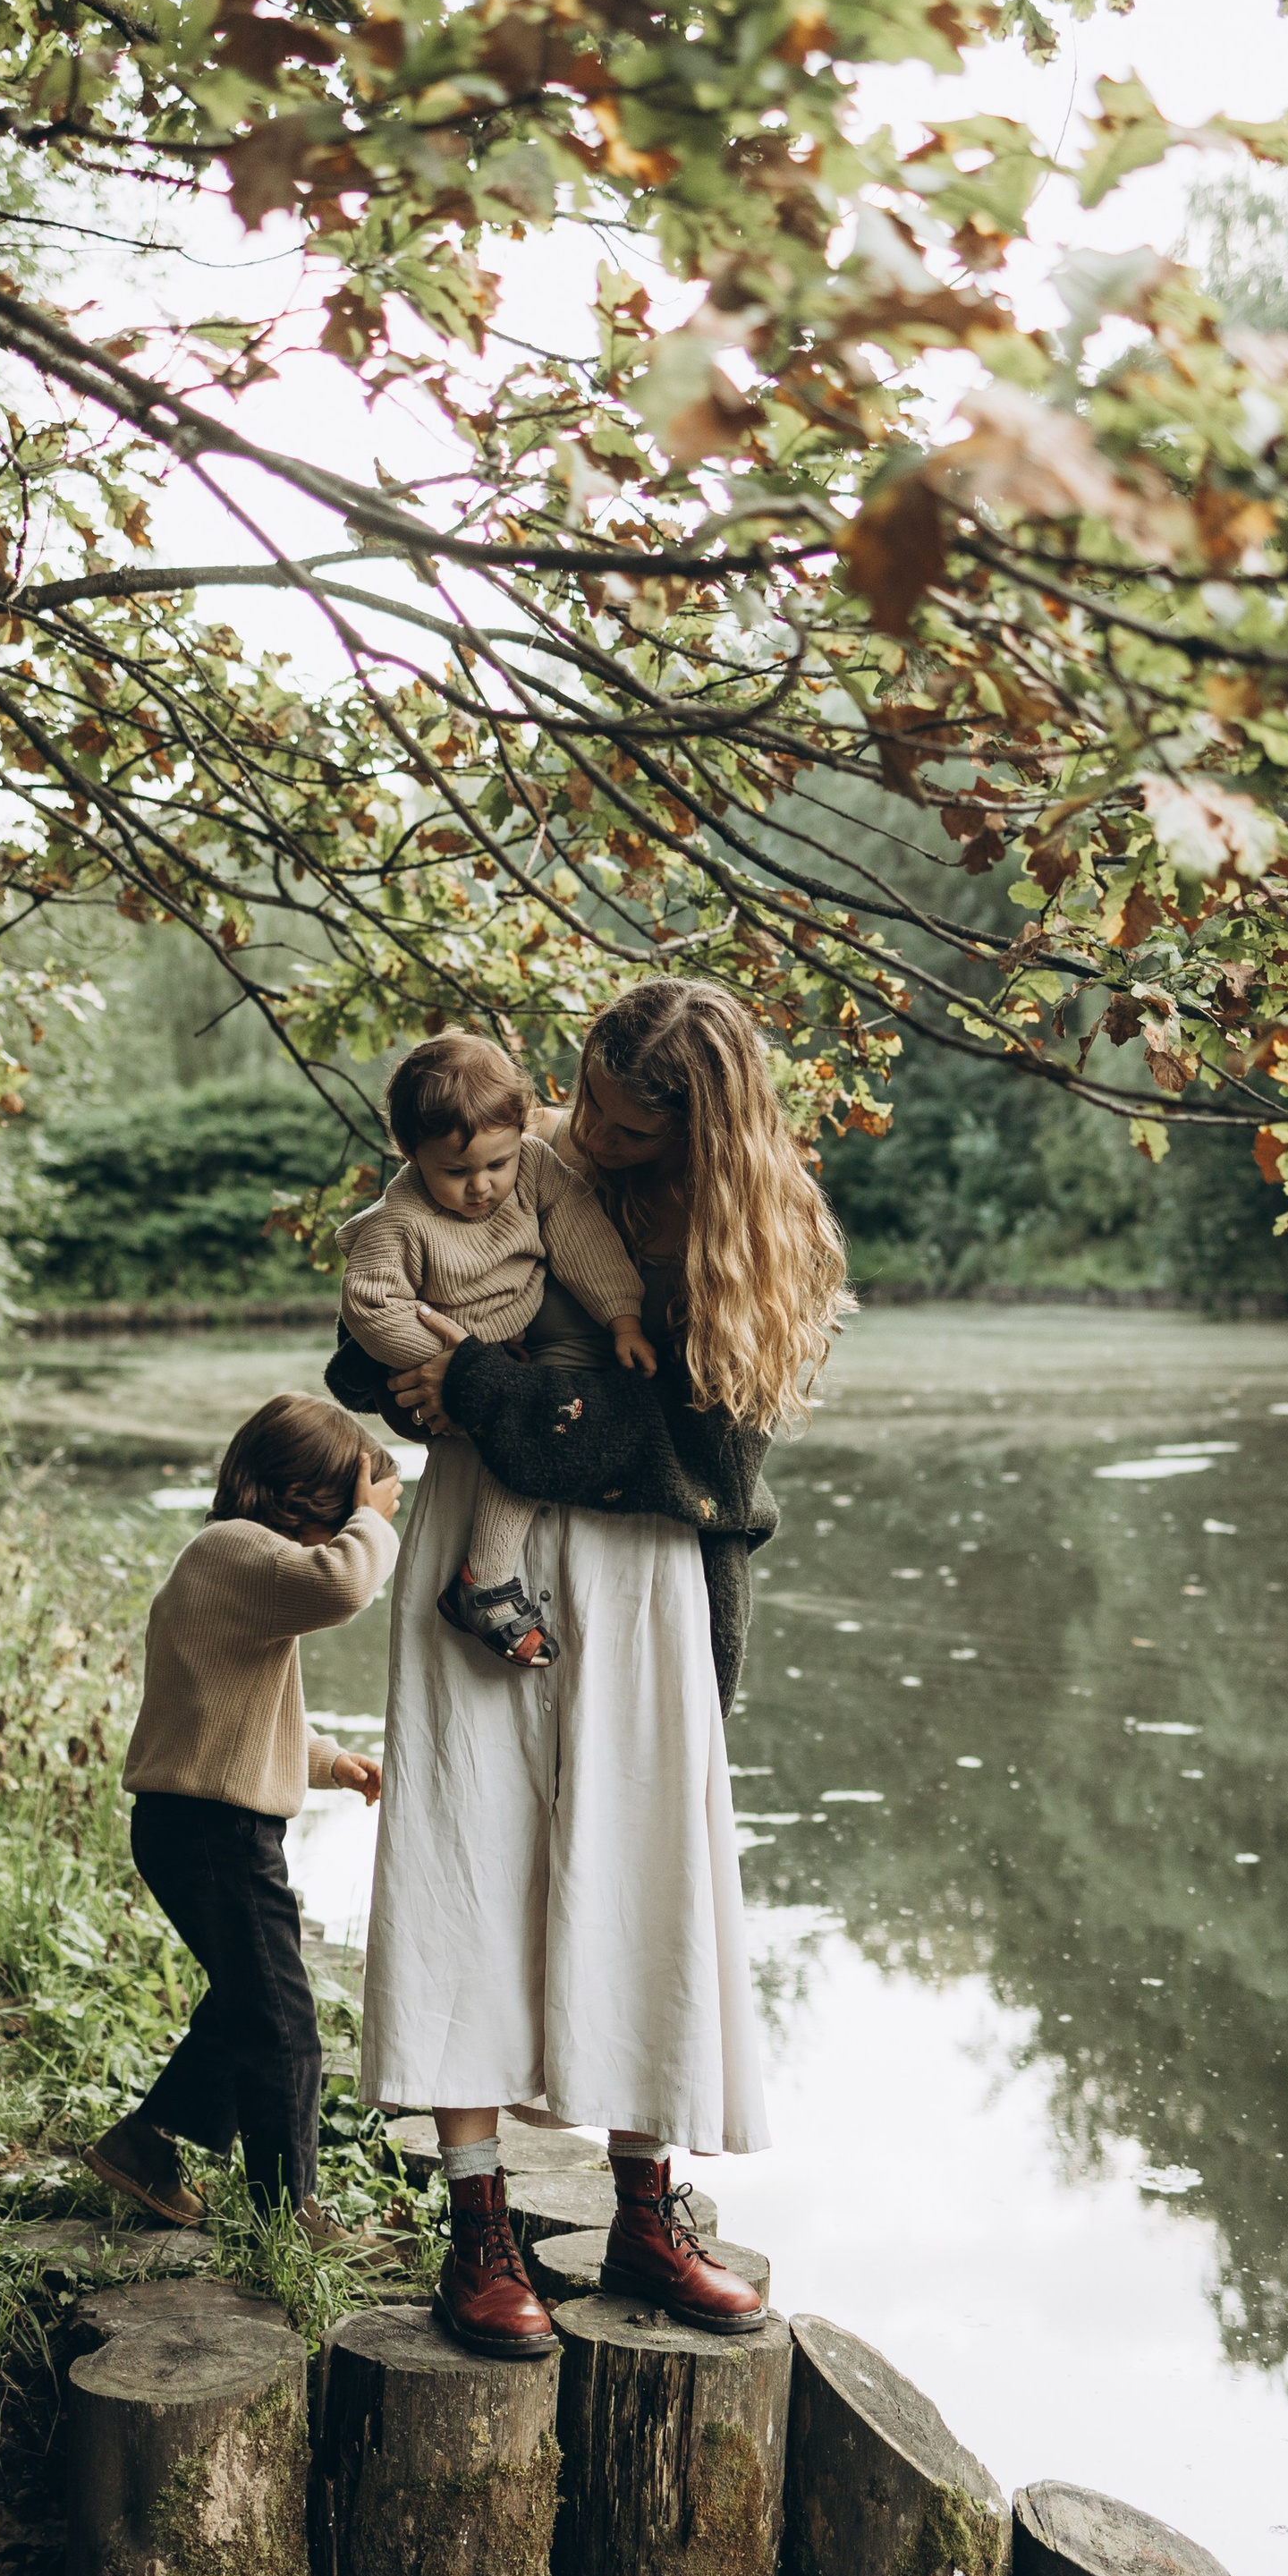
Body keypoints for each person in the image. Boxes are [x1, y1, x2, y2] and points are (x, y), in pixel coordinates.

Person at [330, 978, 849, 2359]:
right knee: (465, 1846)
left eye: (626, 1132)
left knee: (639, 1869)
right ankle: (478, 2224)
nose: (592, 1140)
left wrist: (494, 1390)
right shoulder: (521, 1158)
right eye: (592, 1107)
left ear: (707, 1131)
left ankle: (643, 2208)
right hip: (475, 1539)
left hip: (635, 1563)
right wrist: (418, 1377)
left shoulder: (753, 1243)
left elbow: (682, 1455)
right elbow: (362, 1338)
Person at [82, 1394, 397, 2232]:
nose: (343, 1536)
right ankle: (286, 2215)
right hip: (211, 1829)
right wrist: (374, 1522)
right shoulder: (233, 1551)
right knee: (283, 2021)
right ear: (307, 1499)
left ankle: (143, 2145)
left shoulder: (232, 1564)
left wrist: (331, 1762)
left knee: (248, 2001)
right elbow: (345, 1587)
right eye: (342, 1512)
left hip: (202, 1823)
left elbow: (234, 1721)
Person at [336, 1029, 655, 1671]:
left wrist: (622, 1318)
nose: (481, 1186)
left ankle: (483, 1578)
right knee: (512, 1435)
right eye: (455, 1172)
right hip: (444, 1348)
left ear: (519, 1136)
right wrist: (455, 1368)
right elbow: (370, 1305)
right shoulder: (401, 1219)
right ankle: (485, 1585)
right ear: (411, 1152)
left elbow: (580, 1231)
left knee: (543, 1425)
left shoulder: (536, 1167)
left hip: (523, 1351)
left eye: (496, 1164)